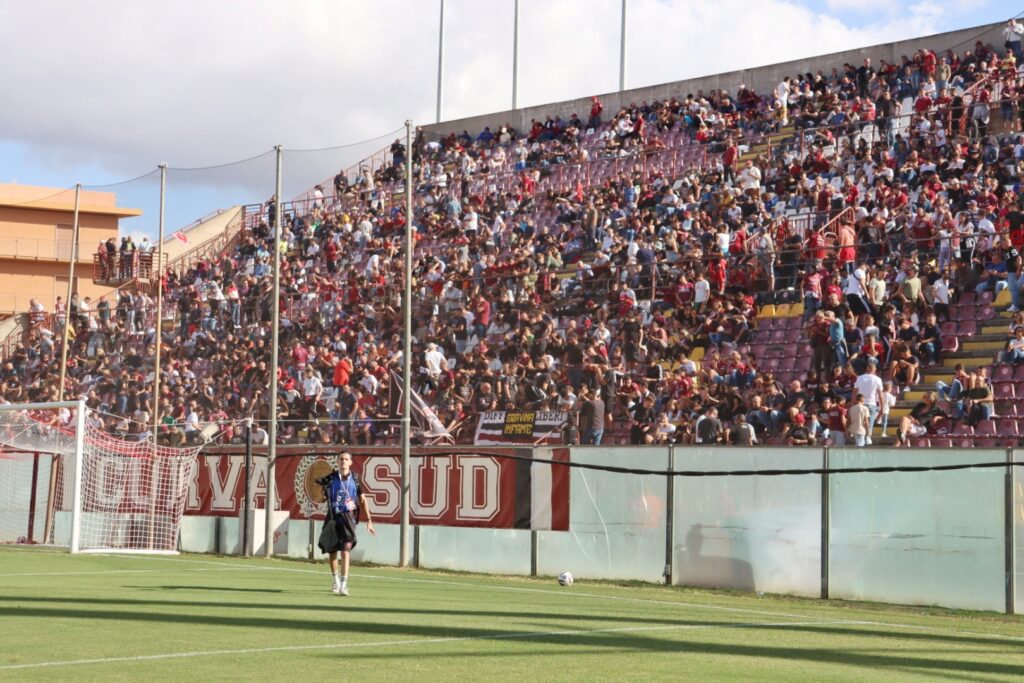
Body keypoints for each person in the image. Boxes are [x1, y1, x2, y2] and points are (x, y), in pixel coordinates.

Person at [322, 451, 375, 596]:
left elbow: (363, 500)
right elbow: (321, 498)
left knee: (345, 551)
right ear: (337, 462)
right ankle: (336, 581)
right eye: (341, 459)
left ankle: (344, 585)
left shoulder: (356, 479)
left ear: (351, 462)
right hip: (333, 517)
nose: (343, 461)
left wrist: (369, 520)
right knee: (332, 552)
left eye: (346, 459)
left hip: (348, 519)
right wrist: (323, 493)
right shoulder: (331, 478)